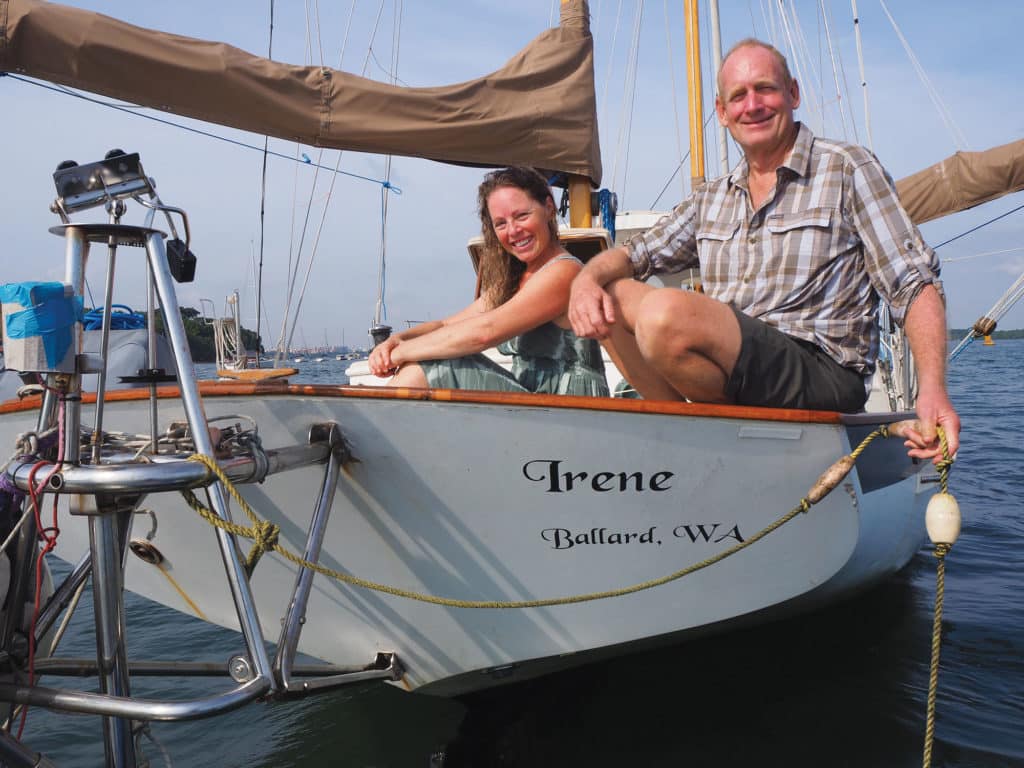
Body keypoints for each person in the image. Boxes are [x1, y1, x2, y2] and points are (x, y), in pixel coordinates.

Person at [567, 38, 959, 463]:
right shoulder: (712, 198)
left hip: (822, 371)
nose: (752, 105)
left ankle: (703, 440)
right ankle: (688, 436)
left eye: (764, 89)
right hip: (742, 367)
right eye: (738, 96)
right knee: (612, 295)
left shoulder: (846, 167)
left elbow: (912, 282)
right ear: (722, 112)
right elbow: (637, 254)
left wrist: (933, 390)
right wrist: (587, 279)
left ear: (793, 93)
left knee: (664, 316)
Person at [368, 167, 608, 397]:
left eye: (522, 215)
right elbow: (445, 325)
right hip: (534, 402)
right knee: (424, 358)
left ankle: (370, 429)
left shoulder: (565, 272)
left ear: (548, 208)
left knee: (435, 365)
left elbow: (485, 332)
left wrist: (401, 354)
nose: (513, 231)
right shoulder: (516, 280)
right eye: (501, 223)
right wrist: (398, 341)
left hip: (573, 408)